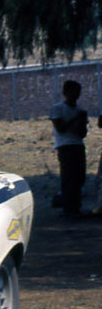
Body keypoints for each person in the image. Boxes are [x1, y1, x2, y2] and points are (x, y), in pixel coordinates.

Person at [49, 79, 89, 219]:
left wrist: (81, 121)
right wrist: (76, 119)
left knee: (79, 177)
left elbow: (82, 133)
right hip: (65, 145)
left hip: (78, 145)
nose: (75, 95)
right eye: (72, 92)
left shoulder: (80, 111)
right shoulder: (58, 108)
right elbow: (60, 128)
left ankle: (75, 208)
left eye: (77, 92)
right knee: (68, 177)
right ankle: (68, 209)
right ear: (65, 93)